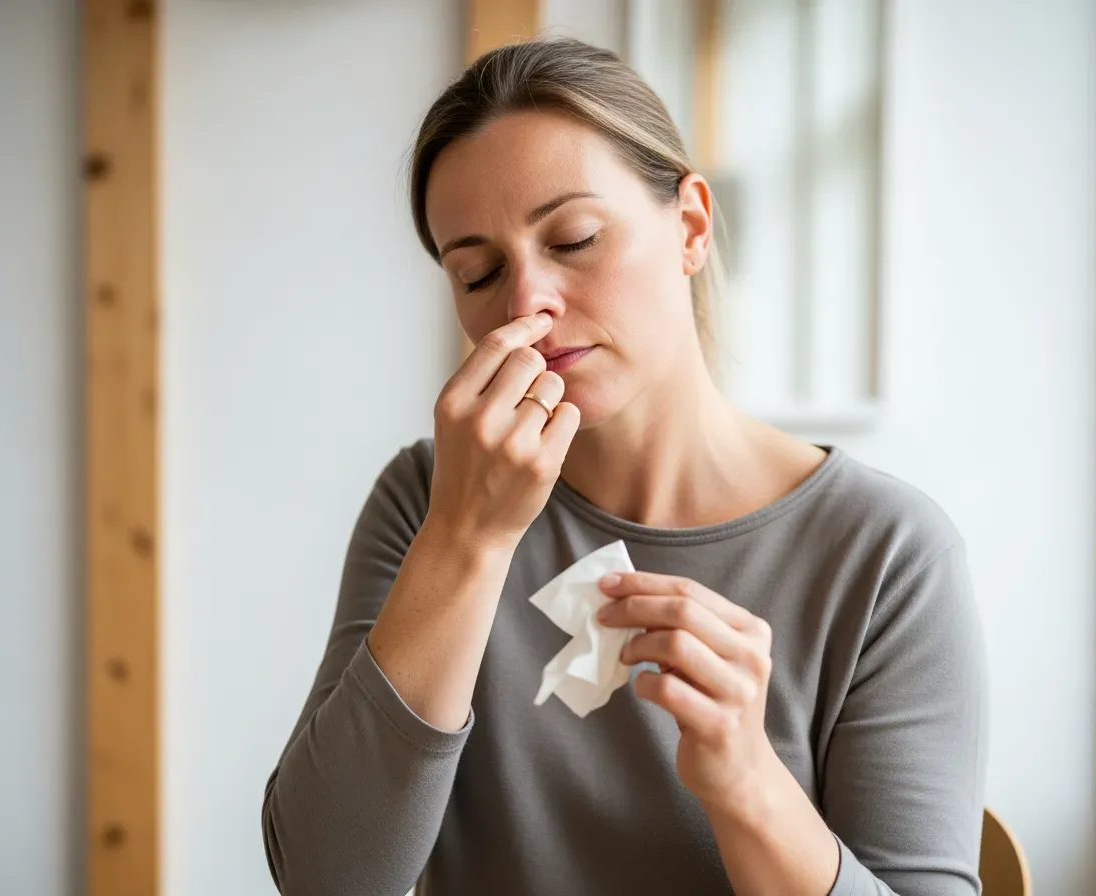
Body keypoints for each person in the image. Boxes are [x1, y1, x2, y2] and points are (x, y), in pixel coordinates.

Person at [261, 36, 987, 896]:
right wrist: (467, 538)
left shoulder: (887, 553)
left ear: (690, 227)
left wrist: (747, 782)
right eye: (478, 272)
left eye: (574, 239)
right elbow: (327, 878)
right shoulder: (427, 500)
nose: (525, 301)